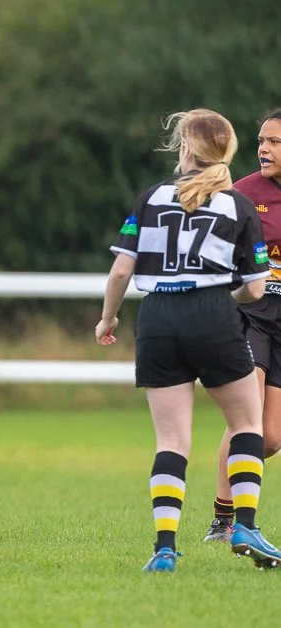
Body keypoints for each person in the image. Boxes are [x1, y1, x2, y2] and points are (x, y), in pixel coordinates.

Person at [97, 108, 281, 572]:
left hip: (157, 320)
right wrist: (230, 290)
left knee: (171, 441)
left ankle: (163, 549)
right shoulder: (237, 203)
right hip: (215, 318)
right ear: (228, 153)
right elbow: (254, 288)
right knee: (246, 425)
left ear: (184, 149)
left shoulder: (151, 197)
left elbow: (121, 269)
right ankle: (242, 523)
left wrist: (107, 319)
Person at [204, 107, 281, 543]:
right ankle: (224, 519)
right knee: (245, 418)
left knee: (270, 438)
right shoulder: (244, 192)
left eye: (274, 142)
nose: (263, 149)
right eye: (261, 141)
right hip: (252, 316)